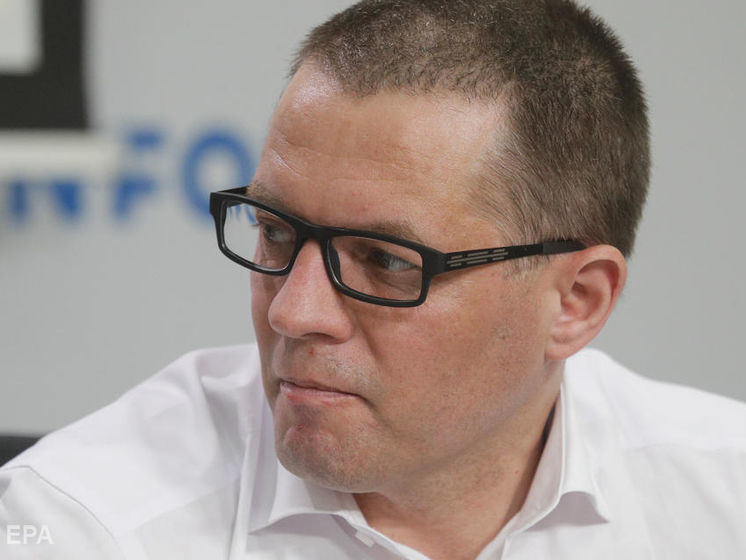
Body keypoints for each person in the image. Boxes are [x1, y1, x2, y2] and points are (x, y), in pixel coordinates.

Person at [2, 1, 745, 558]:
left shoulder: (725, 499)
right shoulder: (84, 527)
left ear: (576, 302)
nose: (293, 313)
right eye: (276, 230)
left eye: (387, 261)